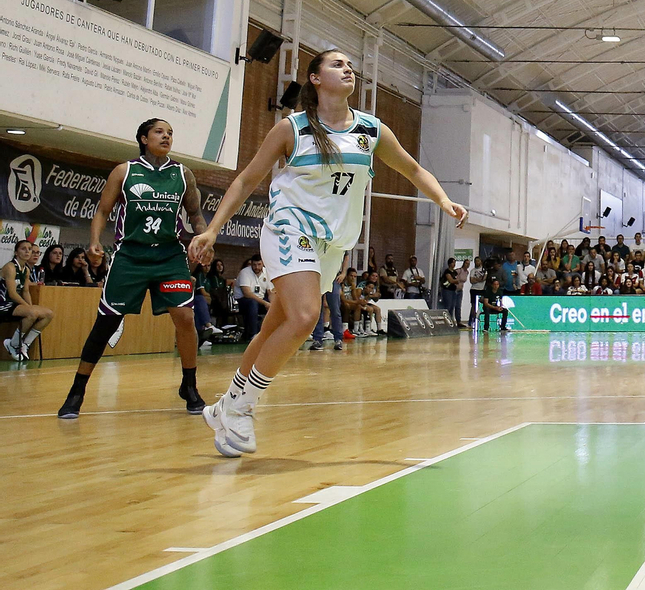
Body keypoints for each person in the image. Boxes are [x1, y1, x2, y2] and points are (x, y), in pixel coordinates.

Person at [187, 49, 466, 457]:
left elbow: (413, 170)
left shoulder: (371, 130)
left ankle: (226, 405)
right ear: (315, 79)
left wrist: (443, 200)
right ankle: (245, 407)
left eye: (350, 65)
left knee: (274, 328)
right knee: (303, 318)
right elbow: (247, 179)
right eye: (337, 64)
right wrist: (212, 229)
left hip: (333, 244)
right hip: (290, 227)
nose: (348, 69)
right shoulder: (291, 128)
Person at [57, 118, 210, 419]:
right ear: (143, 138)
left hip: (169, 257)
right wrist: (93, 242)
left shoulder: (183, 174)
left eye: (170, 133)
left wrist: (205, 238)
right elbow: (103, 210)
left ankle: (189, 385)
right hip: (130, 256)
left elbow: (195, 214)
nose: (166, 136)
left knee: (185, 317)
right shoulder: (124, 171)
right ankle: (77, 390)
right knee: (107, 323)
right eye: (159, 132)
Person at [2, 240, 52, 361]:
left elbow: (25, 291)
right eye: (23, 249)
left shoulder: (26, 270)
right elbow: (13, 294)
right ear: (16, 252)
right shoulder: (10, 267)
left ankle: (25, 344)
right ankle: (13, 344)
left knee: (48, 314)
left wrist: (31, 306)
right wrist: (30, 309)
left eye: (29, 249)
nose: (27, 251)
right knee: (32, 313)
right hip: (3, 303)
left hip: (13, 304)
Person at [235, 253, 271, 341]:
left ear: (263, 263)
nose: (257, 267)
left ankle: (271, 333)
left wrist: (272, 304)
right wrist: (265, 303)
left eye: (259, 264)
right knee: (252, 303)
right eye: (254, 265)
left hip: (260, 300)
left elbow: (270, 292)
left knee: (277, 304)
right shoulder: (245, 272)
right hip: (243, 301)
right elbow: (247, 293)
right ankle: (253, 334)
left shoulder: (267, 272)